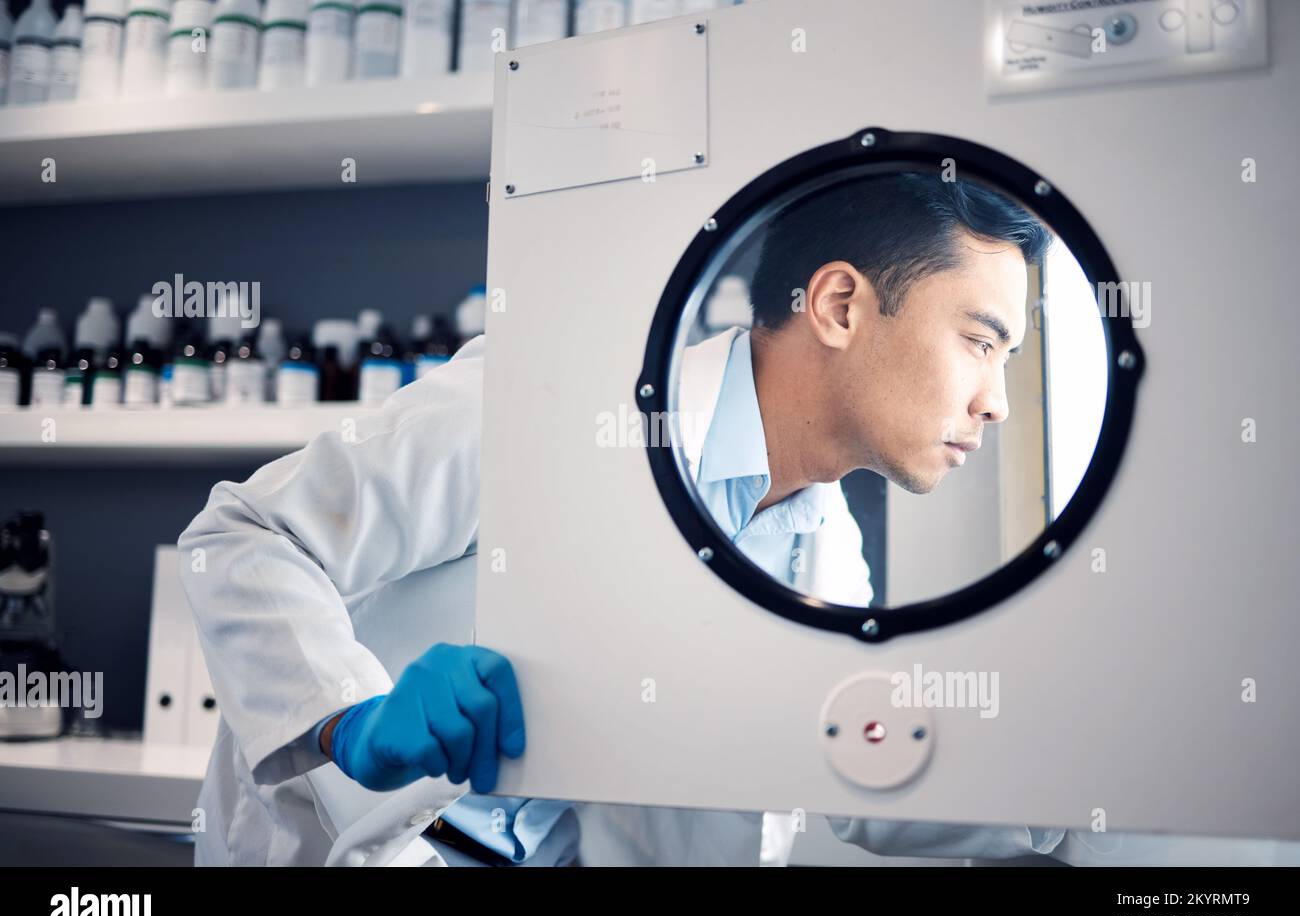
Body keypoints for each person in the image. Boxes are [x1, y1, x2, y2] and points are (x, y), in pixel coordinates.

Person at [175, 172, 1071, 866]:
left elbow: (849, 770)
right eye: (981, 342)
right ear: (840, 306)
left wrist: (1092, 799)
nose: (995, 401)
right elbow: (239, 537)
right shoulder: (547, 404)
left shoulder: (827, 555)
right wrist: (351, 720)